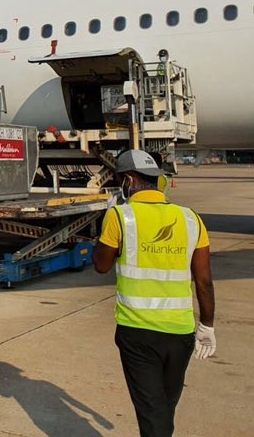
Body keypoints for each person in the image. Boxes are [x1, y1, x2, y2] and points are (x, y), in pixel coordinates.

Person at [93, 149, 215, 437]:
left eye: (120, 180)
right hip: (180, 332)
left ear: (129, 180)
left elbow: (101, 265)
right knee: (163, 408)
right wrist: (207, 325)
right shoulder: (190, 218)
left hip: (138, 332)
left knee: (153, 412)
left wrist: (106, 224)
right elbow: (204, 281)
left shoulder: (121, 217)